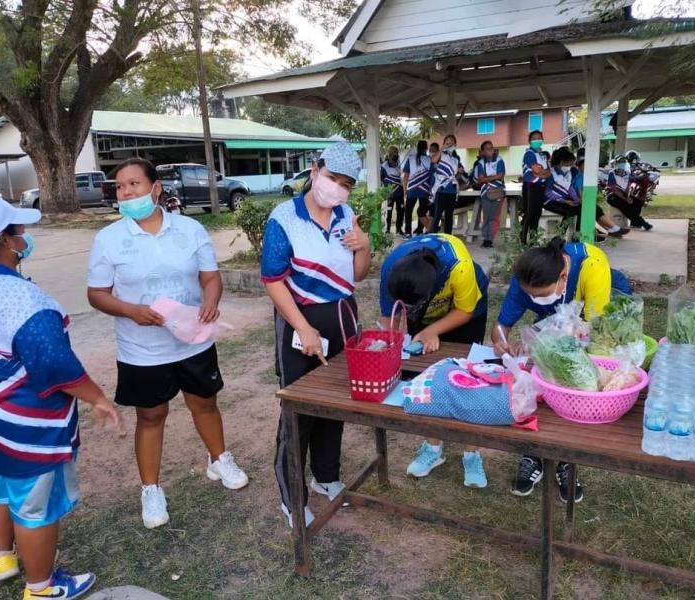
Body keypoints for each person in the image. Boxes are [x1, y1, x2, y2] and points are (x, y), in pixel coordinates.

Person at [0, 194, 122, 600]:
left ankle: (3, 557)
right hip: (23, 429)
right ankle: (41, 588)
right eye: (20, 230)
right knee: (35, 508)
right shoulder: (22, 299)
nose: (25, 236)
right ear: (5, 241)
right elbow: (55, 364)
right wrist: (98, 398)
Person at [87, 157, 248, 531]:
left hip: (193, 340)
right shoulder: (108, 239)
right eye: (120, 187)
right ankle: (151, 489)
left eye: (134, 184)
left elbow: (210, 277)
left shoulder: (190, 229)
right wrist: (130, 311)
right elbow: (97, 294)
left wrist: (211, 300)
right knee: (151, 416)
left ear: (155, 188)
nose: (126, 193)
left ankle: (218, 459)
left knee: (204, 403)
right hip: (142, 350)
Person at [262, 143, 371, 527]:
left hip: (343, 319)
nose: (336, 188)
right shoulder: (284, 218)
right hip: (300, 323)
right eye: (331, 178)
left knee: (336, 402)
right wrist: (303, 327)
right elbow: (273, 281)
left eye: (346, 184)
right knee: (299, 410)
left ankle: (326, 475)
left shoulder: (346, 216)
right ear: (314, 171)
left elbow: (358, 273)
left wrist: (365, 246)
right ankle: (293, 497)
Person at [491, 237, 632, 503]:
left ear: (563, 277)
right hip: (557, 323)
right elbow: (502, 324)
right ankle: (534, 454)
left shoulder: (592, 266)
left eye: (540, 295)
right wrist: (501, 341)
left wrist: (551, 343)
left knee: (577, 387)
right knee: (540, 384)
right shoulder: (528, 275)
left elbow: (594, 334)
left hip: (595, 321)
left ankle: (567, 462)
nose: (533, 299)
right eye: (530, 295)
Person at [379, 233, 490, 487]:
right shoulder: (392, 269)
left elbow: (465, 310)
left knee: (467, 379)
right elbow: (389, 317)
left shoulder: (458, 267)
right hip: (422, 303)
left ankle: (471, 453)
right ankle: (432, 448)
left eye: (413, 306)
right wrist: (394, 344)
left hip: (465, 311)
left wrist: (432, 330)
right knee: (425, 376)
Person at [544, 146, 628, 239]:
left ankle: (579, 236)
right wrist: (565, 201)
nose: (571, 166)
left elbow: (570, 189)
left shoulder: (567, 174)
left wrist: (577, 200)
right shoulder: (551, 173)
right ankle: (561, 237)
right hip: (551, 201)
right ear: (562, 162)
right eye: (569, 164)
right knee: (572, 211)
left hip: (565, 200)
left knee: (585, 207)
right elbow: (548, 193)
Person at [472, 140, 506, 248]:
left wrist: (488, 178)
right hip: (485, 192)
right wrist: (495, 177)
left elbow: (501, 175)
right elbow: (481, 179)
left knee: (494, 217)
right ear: (482, 152)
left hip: (497, 192)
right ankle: (485, 238)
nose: (490, 150)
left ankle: (490, 239)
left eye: (491, 148)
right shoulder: (481, 163)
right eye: (487, 149)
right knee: (486, 216)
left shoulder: (499, 160)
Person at [606, 154, 653, 231]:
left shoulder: (627, 173)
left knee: (638, 202)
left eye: (624, 162)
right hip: (613, 196)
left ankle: (635, 223)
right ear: (616, 163)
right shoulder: (612, 173)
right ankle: (643, 223)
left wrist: (628, 197)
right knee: (626, 206)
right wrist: (625, 199)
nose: (622, 163)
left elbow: (627, 187)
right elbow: (614, 189)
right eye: (620, 162)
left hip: (623, 195)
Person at [520, 130, 550, 244]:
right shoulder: (529, 154)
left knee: (537, 214)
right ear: (529, 141)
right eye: (534, 138)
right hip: (531, 186)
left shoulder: (542, 155)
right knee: (529, 214)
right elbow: (536, 170)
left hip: (540, 186)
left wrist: (540, 173)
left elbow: (548, 172)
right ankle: (523, 240)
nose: (537, 140)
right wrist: (541, 172)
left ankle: (533, 240)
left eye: (539, 138)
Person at [430, 134, 463, 234]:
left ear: (455, 144)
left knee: (449, 217)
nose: (449, 143)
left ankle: (448, 238)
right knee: (437, 216)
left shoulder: (456, 159)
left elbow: (456, 175)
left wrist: (460, 172)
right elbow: (433, 160)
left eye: (451, 142)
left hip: (452, 191)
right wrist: (442, 148)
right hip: (441, 190)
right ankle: (433, 237)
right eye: (447, 142)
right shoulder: (442, 154)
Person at [401, 140, 432, 237]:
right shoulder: (429, 159)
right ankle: (419, 231)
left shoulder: (410, 159)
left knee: (408, 211)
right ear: (426, 148)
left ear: (417, 148)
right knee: (422, 211)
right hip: (425, 189)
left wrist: (405, 189)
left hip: (412, 189)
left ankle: (408, 232)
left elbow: (406, 175)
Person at [381, 146, 404, 236]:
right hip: (389, 193)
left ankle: (399, 229)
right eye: (394, 153)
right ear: (390, 154)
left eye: (397, 153)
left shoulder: (399, 164)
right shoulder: (384, 166)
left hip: (399, 192)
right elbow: (381, 179)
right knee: (389, 211)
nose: (396, 155)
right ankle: (387, 229)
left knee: (400, 211)